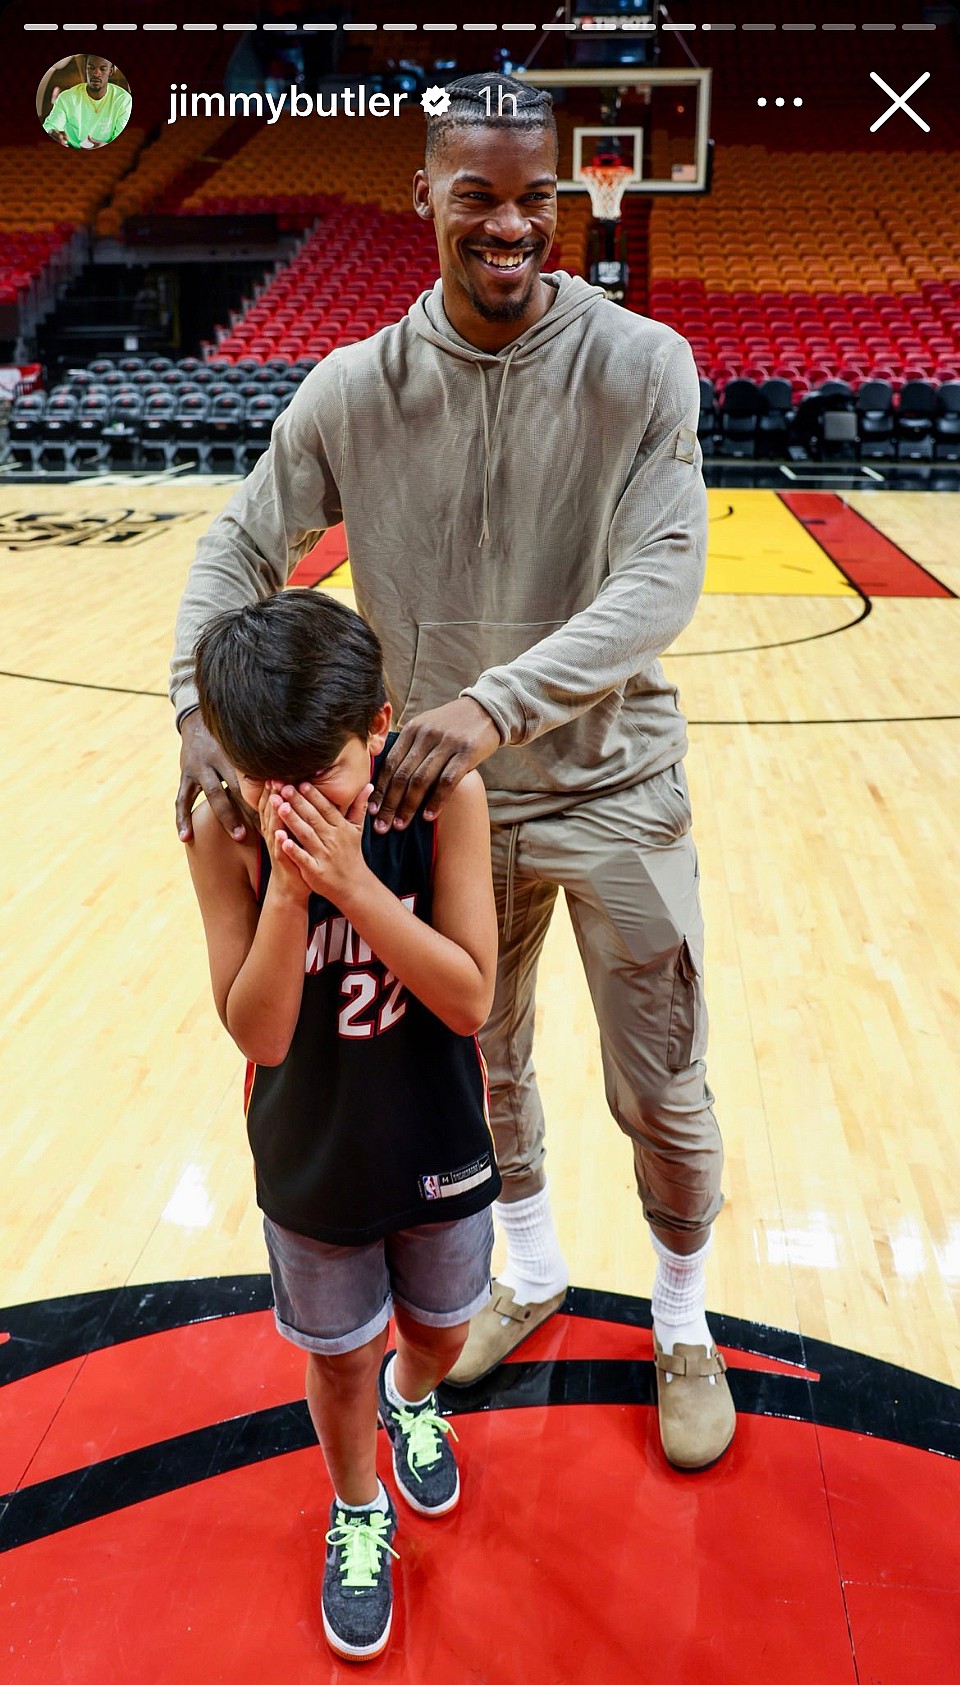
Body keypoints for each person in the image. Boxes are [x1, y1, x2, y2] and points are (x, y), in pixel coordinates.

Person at [172, 73, 735, 1472]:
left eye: (534, 198)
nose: (509, 226)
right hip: (437, 804)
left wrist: (492, 704)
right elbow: (236, 550)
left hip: (606, 785)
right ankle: (530, 1269)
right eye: (477, 196)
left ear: (567, 197)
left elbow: (667, 577)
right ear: (422, 195)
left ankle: (682, 1318)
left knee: (660, 1081)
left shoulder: (644, 364)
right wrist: (195, 705)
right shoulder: (355, 387)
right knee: (486, 1067)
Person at [186, 589, 500, 1661]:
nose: (292, 804)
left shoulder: (446, 795)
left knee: (442, 1331)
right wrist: (287, 891)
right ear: (224, 758)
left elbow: (469, 1000)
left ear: (380, 725)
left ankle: (418, 1400)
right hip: (311, 1142)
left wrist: (355, 886)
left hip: (436, 1124)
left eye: (320, 776)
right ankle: (358, 1505)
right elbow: (259, 1034)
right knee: (339, 1356)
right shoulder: (221, 828)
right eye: (261, 781)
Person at [43, 54, 131, 151]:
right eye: (91, 68)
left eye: (102, 69)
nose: (96, 73)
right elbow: (50, 126)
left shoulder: (123, 99)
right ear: (86, 69)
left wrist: (105, 146)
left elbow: (121, 142)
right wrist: (52, 133)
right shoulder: (66, 97)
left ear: (110, 71)